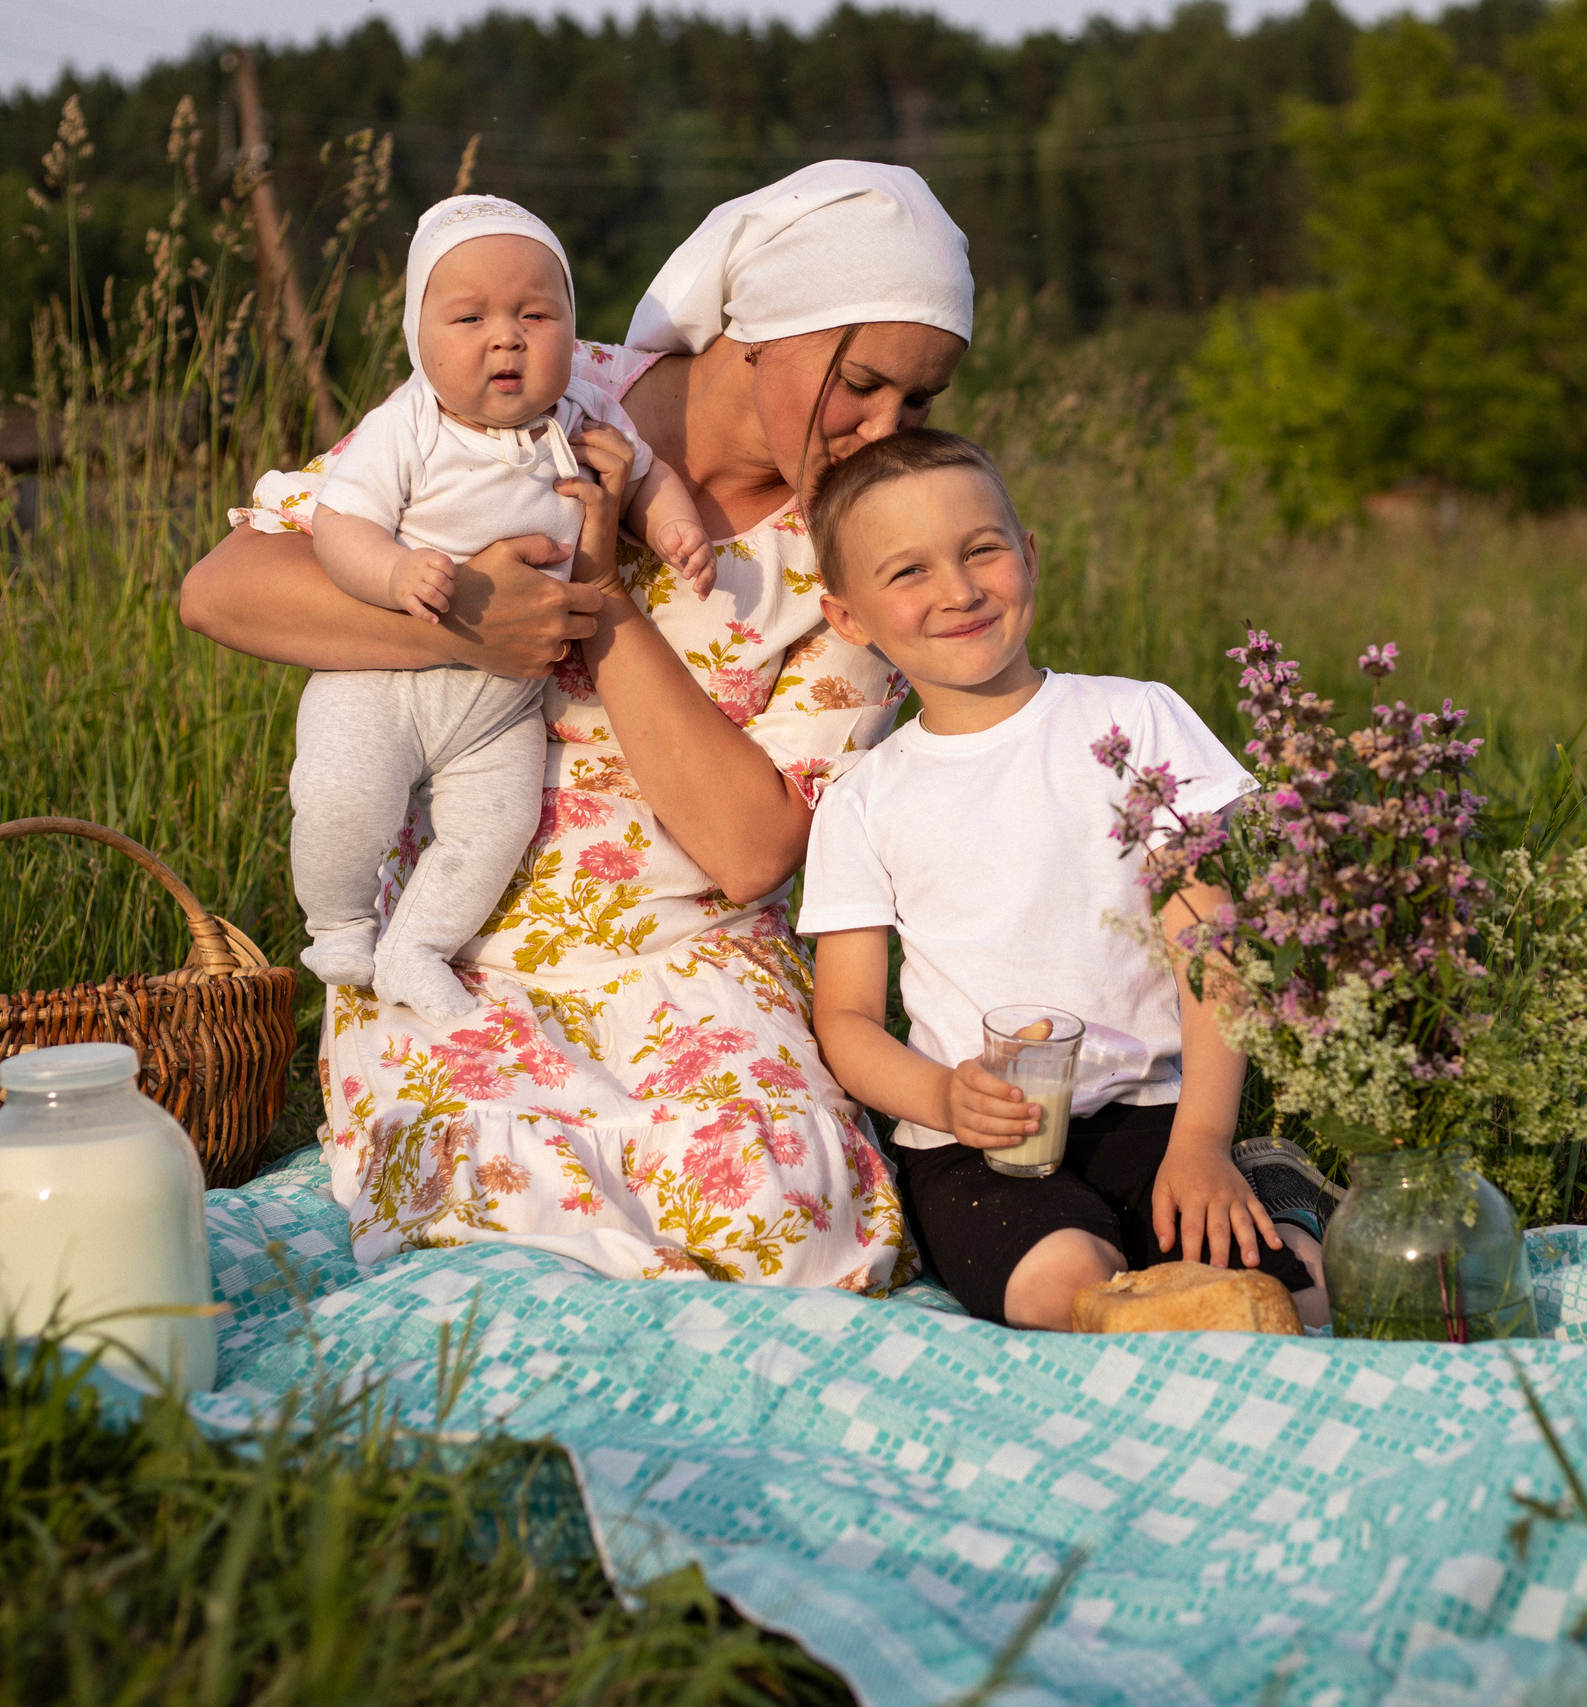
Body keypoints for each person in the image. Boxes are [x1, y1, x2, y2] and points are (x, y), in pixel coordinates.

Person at [180, 161, 971, 1288]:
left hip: (693, 956)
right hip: (456, 941)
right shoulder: (535, 380)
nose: (885, 429)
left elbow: (754, 851)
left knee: (790, 1219)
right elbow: (223, 589)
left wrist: (600, 612)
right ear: (764, 330)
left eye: (919, 403)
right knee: (506, 1211)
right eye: (867, 385)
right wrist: (474, 627)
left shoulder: (866, 538)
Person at [797, 429, 1332, 1331]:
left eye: (982, 550)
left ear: (1030, 556)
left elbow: (1211, 939)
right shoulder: (863, 797)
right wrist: (942, 1098)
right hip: (978, 1141)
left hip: (1155, 1111)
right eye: (909, 572)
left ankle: (1260, 1174)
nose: (960, 591)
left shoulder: (1135, 718)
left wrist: (1201, 1142)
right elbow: (845, 1019)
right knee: (1061, 1283)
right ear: (848, 617)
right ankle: (1162, 1275)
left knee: (1305, 1294)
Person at [287, 194, 714, 1024]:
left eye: (534, 313)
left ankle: (417, 946)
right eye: (469, 316)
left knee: (497, 826)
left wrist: (674, 525)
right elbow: (338, 524)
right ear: (418, 337)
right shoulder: (405, 426)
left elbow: (650, 475)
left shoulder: (584, 412)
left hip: (499, 709)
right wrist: (395, 572)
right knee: (344, 795)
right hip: (380, 680)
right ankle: (337, 922)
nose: (506, 335)